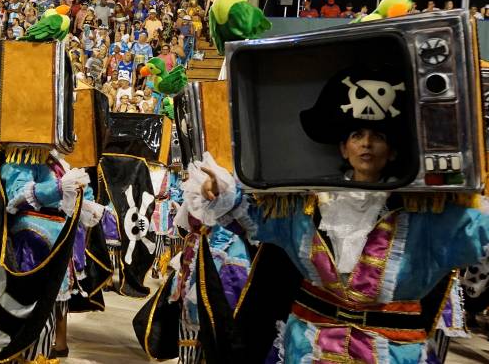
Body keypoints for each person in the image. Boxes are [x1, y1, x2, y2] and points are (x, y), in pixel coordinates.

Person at [192, 65, 489, 363]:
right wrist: (220, 190)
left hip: (393, 353)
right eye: (357, 135)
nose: (367, 143)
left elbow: (476, 231)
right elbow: (254, 216)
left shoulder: (427, 214)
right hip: (310, 347)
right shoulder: (309, 205)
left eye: (378, 136)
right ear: (344, 149)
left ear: (393, 151)